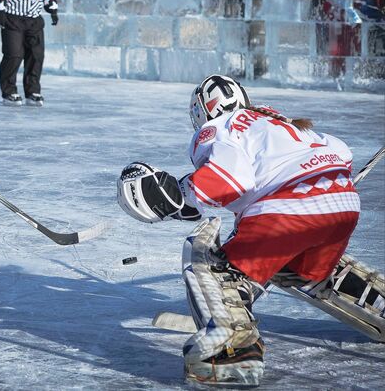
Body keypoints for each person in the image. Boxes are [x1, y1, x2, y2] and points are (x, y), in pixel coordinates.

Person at [117, 74, 384, 386]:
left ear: (203, 111)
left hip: (289, 209)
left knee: (209, 262)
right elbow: (341, 152)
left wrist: (180, 192)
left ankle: (231, 354)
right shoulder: (277, 122)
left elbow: (230, 180)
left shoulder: (221, 127)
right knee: (298, 266)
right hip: (342, 205)